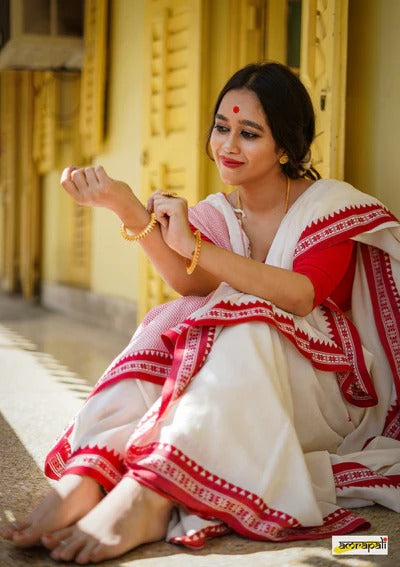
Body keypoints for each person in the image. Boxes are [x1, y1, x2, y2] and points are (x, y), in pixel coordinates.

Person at [1, 62, 400, 564]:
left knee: (249, 317)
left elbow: (300, 295)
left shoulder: (330, 205)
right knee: (174, 315)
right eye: (221, 127)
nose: (228, 145)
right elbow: (192, 282)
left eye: (249, 133)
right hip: (238, 378)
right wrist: (128, 207)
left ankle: (151, 494)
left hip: (326, 392)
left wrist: (194, 245)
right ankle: (91, 472)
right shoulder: (218, 211)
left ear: (285, 147)